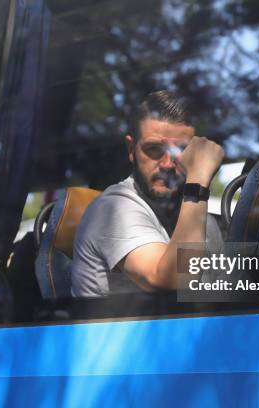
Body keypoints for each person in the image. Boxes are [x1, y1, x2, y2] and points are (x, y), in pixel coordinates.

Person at [72, 91, 225, 297]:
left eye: (181, 150)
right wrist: (198, 179)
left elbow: (221, 298)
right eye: (153, 149)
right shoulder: (113, 208)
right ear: (131, 149)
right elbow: (171, 280)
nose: (167, 164)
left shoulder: (204, 222)